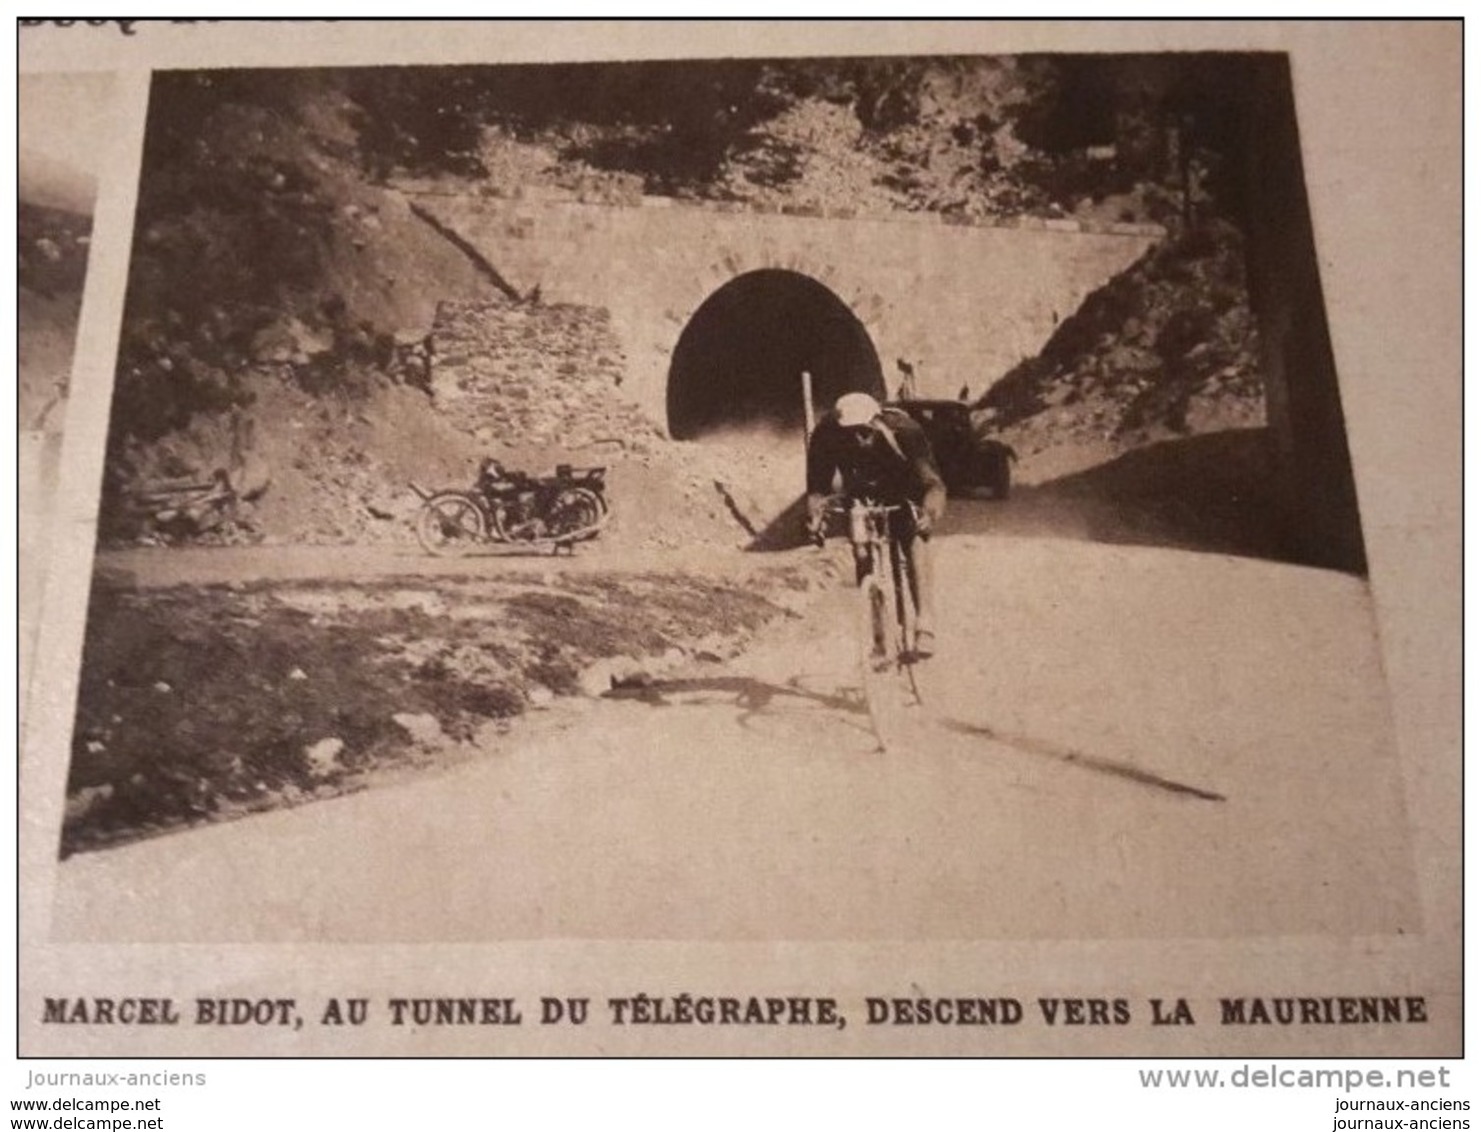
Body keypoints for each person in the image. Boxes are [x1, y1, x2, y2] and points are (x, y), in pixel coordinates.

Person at [805, 391, 947, 657]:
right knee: (861, 551)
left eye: (865, 432)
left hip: (904, 487)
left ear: (877, 422)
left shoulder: (905, 431)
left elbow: (932, 482)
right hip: (859, 490)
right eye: (851, 433)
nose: (858, 439)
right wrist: (816, 518)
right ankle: (877, 632)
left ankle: (925, 624)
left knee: (914, 535)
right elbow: (817, 487)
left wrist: (929, 512)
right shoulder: (826, 434)